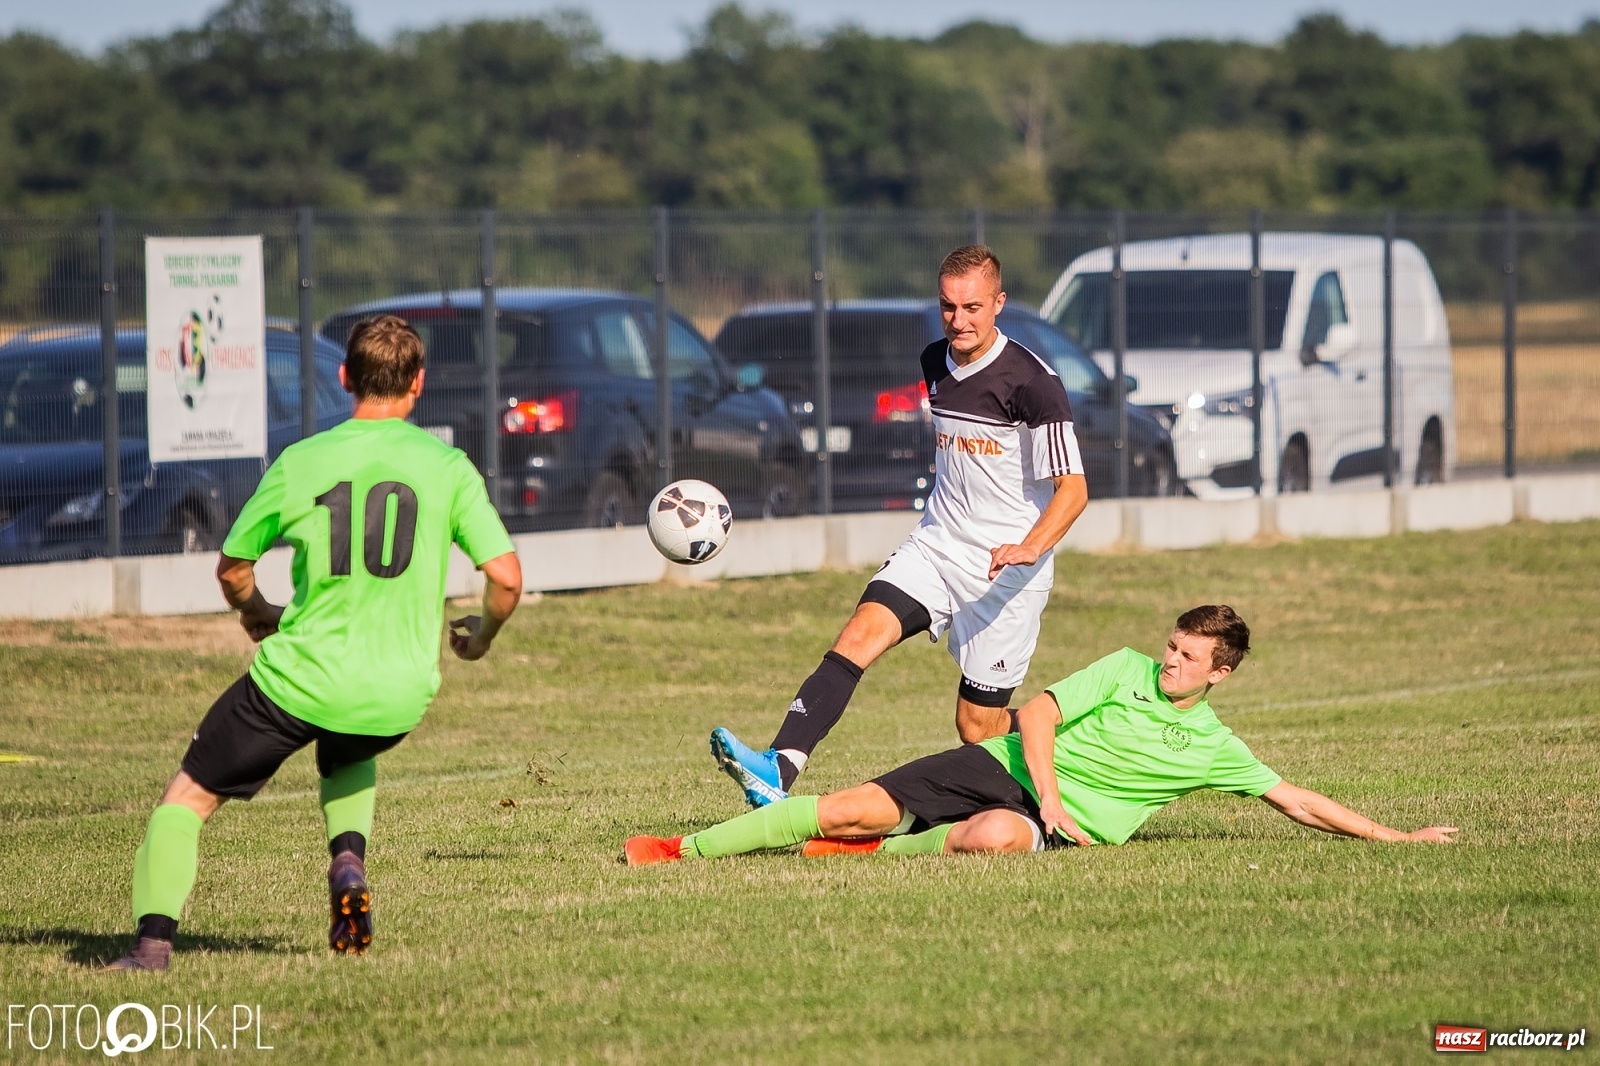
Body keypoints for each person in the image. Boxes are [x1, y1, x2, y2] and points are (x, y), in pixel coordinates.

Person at [105, 315, 522, 971]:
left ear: (344, 378)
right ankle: (348, 863)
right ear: (418, 384)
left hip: (299, 682)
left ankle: (151, 946)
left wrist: (257, 614)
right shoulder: (448, 468)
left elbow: (233, 566)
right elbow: (505, 578)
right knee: (349, 747)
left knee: (186, 800)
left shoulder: (302, 462)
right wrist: (484, 636)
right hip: (398, 694)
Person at [626, 605, 1457, 864]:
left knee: (989, 839)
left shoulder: (1217, 748)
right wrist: (1050, 792)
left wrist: (1398, 834)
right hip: (1008, 762)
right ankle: (682, 849)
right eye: (1171, 645)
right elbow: (1036, 714)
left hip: (1048, 823)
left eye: (1187, 656)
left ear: (1220, 674)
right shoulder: (1126, 665)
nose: (1169, 661)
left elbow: (1298, 802)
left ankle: (875, 855)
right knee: (849, 805)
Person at [709, 245, 1090, 808]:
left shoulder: (1034, 383)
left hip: (1005, 575)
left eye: (973, 308)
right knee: (859, 633)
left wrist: (1027, 548)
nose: (959, 321)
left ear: (1000, 305)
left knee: (977, 728)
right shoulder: (935, 361)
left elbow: (1074, 490)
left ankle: (1064, 753)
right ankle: (778, 770)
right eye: (948, 307)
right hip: (936, 546)